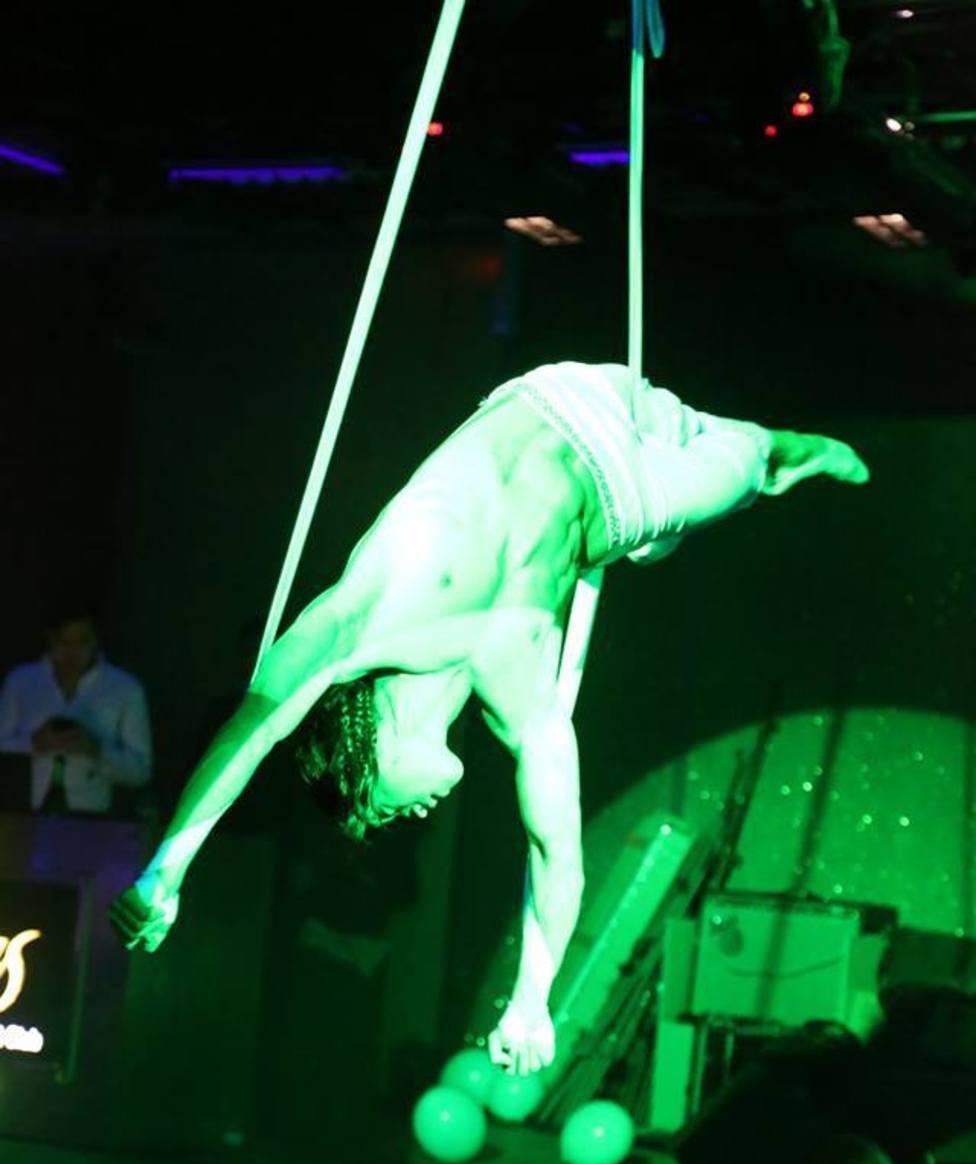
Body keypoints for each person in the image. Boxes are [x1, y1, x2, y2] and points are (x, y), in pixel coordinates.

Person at [109, 361, 869, 1073]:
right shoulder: (522, 697)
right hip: (623, 496)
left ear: (364, 758)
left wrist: (165, 870)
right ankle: (783, 459)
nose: (414, 816)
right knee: (751, 463)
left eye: (384, 812)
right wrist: (531, 1003)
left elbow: (257, 724)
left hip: (564, 401)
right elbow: (555, 854)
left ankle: (717, 465)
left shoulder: (367, 614)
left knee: (695, 455)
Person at [0, 602, 152, 815]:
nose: (72, 652)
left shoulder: (125, 689)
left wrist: (95, 749)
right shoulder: (21, 682)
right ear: (50, 639)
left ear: (96, 640)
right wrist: (33, 743)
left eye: (82, 641)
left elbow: (141, 770)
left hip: (94, 813)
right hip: (23, 809)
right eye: (63, 641)